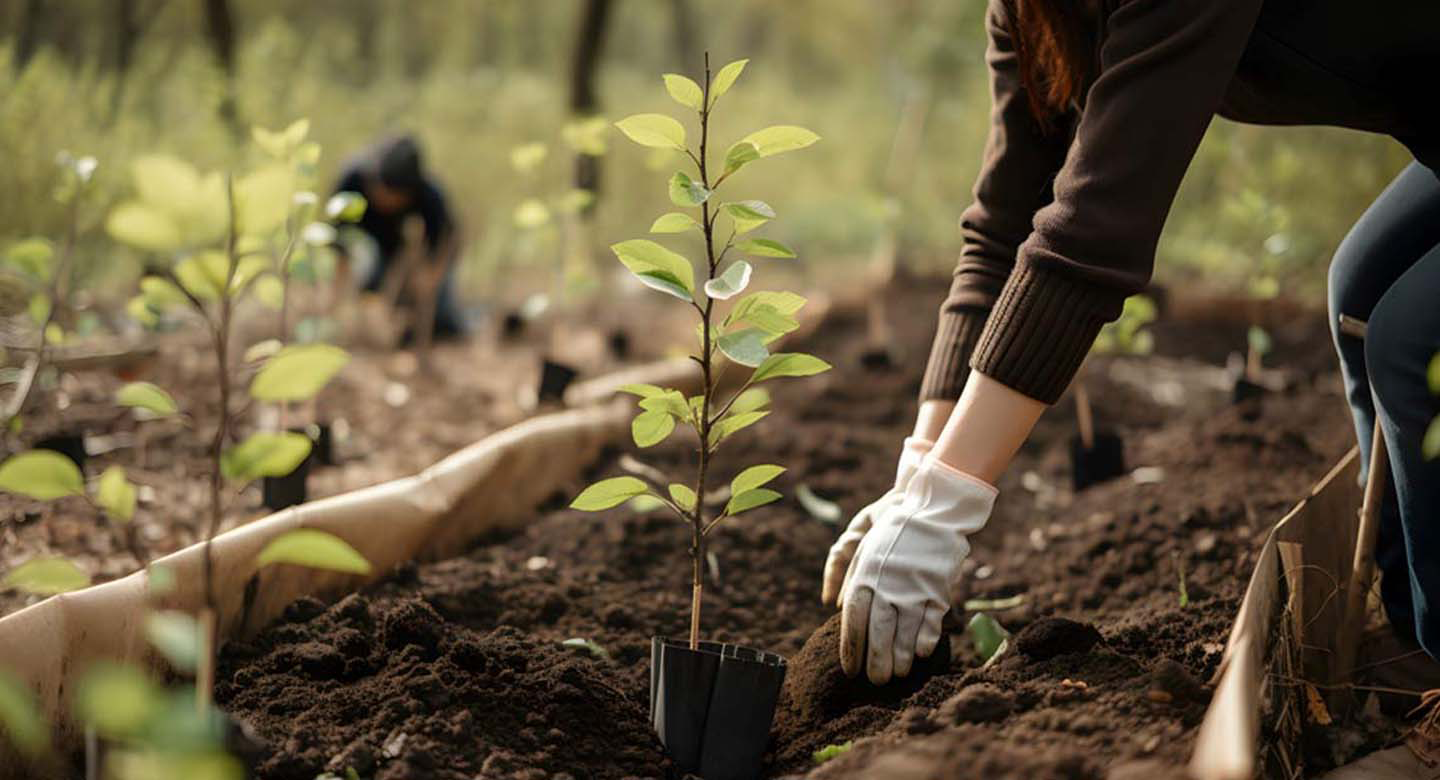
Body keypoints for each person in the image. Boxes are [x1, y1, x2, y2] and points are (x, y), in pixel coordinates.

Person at [824, 0, 1440, 690]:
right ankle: (1416, 637)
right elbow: (1001, 229)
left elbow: (1095, 232)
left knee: (1409, 342)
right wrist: (916, 479)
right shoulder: (1030, 12)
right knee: (1360, 298)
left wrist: (945, 504)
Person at [333, 135, 466, 339]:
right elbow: (338, 241)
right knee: (370, 288)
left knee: (442, 317)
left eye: (396, 197)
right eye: (383, 193)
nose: (387, 202)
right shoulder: (351, 182)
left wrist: (428, 281)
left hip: (404, 250)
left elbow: (448, 240)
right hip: (369, 246)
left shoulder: (430, 195)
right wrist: (340, 298)